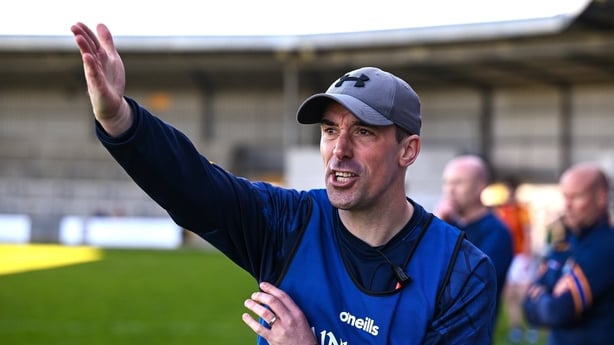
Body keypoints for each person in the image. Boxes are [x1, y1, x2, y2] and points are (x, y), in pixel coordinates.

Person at [71, 22, 497, 345]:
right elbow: (194, 185)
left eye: (363, 131)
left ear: (408, 150)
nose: (339, 149)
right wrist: (119, 119)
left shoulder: (460, 273)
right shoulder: (288, 223)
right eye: (330, 130)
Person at [523, 162, 614, 345]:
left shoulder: (607, 247)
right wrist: (547, 297)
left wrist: (541, 295)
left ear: (601, 198)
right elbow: (527, 307)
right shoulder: (563, 245)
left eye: (576, 197)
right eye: (565, 196)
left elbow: (557, 312)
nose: (567, 205)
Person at [434, 155, 514, 325]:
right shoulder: (445, 225)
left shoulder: (497, 232)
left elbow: (472, 281)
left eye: (458, 183)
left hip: (471, 329)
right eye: (446, 182)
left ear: (479, 187)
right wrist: (436, 226)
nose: (450, 190)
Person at [494, 177, 538, 344]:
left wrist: (528, 255)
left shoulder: (522, 210)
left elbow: (527, 233)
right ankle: (516, 328)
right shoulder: (502, 210)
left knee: (524, 294)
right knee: (510, 294)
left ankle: (531, 326)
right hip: (508, 256)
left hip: (520, 256)